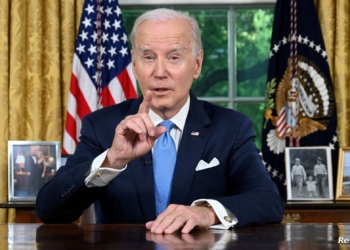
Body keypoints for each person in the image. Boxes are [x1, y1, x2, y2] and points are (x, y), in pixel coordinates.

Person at [36, 8, 284, 233]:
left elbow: (268, 200)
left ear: (197, 64)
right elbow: (49, 210)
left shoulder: (231, 128)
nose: (160, 72)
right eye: (148, 58)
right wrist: (112, 160)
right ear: (134, 65)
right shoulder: (101, 126)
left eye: (174, 57)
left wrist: (206, 213)